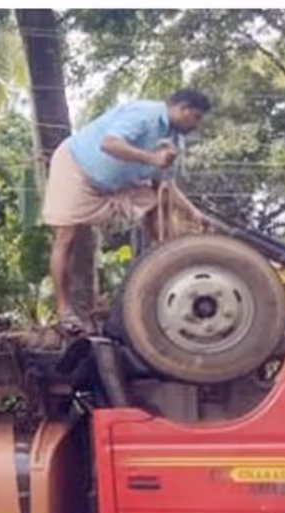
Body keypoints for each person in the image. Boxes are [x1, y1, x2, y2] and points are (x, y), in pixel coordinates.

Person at [42, 89, 212, 334]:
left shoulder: (176, 142)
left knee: (158, 202)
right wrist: (152, 159)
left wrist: (193, 212)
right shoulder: (145, 114)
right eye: (195, 117)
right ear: (182, 108)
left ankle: (165, 272)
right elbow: (109, 144)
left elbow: (164, 186)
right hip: (77, 169)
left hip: (117, 185)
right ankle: (64, 310)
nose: (196, 125)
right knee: (65, 237)